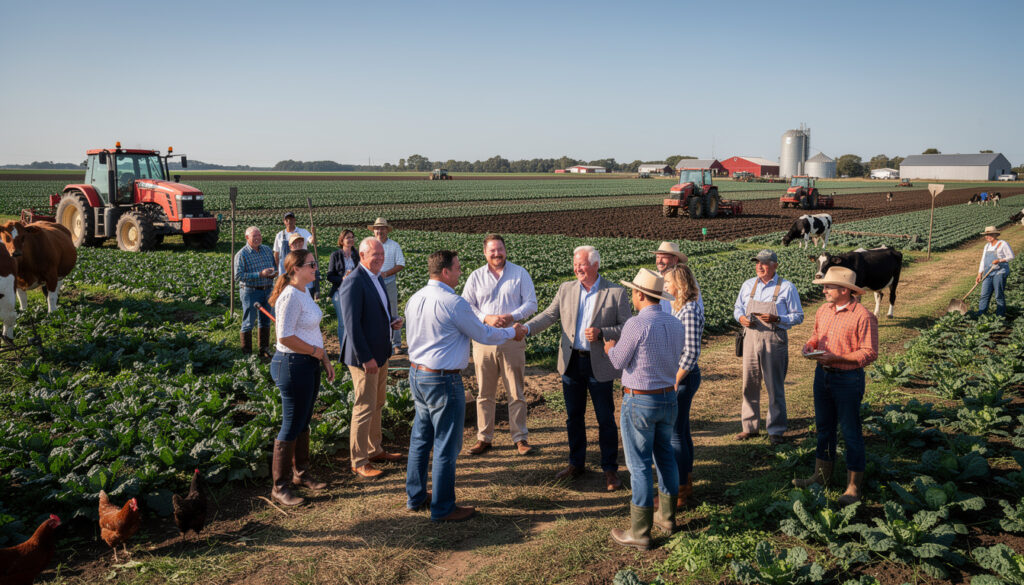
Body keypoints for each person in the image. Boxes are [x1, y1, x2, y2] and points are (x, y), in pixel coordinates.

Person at [404, 250, 527, 522]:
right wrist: (512, 332)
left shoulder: (415, 298)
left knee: (420, 439)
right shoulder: (453, 303)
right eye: (457, 268)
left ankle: (415, 497)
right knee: (447, 445)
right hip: (443, 379)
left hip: (417, 374)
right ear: (445, 272)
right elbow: (483, 333)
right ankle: (443, 507)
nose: (460, 272)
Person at [524, 245, 631, 491]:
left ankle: (610, 469)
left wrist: (603, 332)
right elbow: (550, 316)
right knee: (574, 417)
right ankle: (576, 463)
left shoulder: (615, 292)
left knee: (605, 418)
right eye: (575, 264)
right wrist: (526, 329)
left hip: (600, 364)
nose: (577, 269)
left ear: (595, 265)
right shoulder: (566, 289)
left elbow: (627, 326)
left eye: (581, 264)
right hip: (571, 363)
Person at [605, 269, 684, 550]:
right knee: (665, 457)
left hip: (640, 400)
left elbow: (618, 362)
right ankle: (668, 516)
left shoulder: (636, 325)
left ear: (639, 294)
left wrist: (610, 348)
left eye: (633, 293)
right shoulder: (676, 324)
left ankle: (639, 531)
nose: (632, 297)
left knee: (638, 465)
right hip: (668, 397)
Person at [797, 266, 878, 505]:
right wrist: (810, 346)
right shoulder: (824, 310)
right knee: (824, 428)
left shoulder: (863, 316)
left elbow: (869, 353)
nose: (823, 290)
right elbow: (816, 334)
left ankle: (853, 487)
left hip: (848, 379)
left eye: (828, 286)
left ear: (845, 290)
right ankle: (820, 477)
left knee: (850, 431)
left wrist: (838, 358)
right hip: (822, 375)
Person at [267, 249, 336, 506]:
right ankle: (280, 486)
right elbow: (284, 337)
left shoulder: (304, 291)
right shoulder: (289, 297)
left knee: (304, 420)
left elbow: (313, 330)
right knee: (291, 423)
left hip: (308, 362)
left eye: (314, 264)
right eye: (310, 264)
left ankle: (301, 474)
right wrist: (315, 352)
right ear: (295, 268)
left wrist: (324, 358)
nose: (315, 267)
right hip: (291, 364)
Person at [462, 234, 538, 456]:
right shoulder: (476, 277)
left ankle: (520, 438)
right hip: (484, 340)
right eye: (492, 250)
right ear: (485, 253)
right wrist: (486, 317)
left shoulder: (520, 273)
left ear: (506, 250)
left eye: (500, 249)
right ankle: (484, 438)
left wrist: (511, 315)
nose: (497, 254)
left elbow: (531, 303)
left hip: (511, 339)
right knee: (485, 392)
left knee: (516, 390)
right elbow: (467, 305)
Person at [340, 237, 404, 479]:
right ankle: (358, 460)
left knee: (377, 402)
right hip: (364, 358)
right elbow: (352, 326)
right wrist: (366, 358)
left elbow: (374, 314)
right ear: (362, 257)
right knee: (364, 406)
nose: (379, 258)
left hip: (381, 352)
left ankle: (374, 449)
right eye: (373, 255)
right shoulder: (354, 282)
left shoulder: (377, 278)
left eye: (381, 254)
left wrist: (391, 323)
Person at [733, 249, 804, 445]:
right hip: (750, 338)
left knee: (774, 385)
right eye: (757, 263)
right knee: (749, 383)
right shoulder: (748, 285)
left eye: (764, 263)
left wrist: (778, 318)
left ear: (775, 266)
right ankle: (749, 427)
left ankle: (776, 430)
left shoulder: (787, 287)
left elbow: (798, 315)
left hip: (774, 338)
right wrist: (740, 318)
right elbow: (738, 307)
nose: (760, 266)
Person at [663, 264, 704, 508]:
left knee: (675, 434)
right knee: (682, 430)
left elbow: (690, 353)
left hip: (683, 377)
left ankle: (679, 491)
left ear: (679, 284)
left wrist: (675, 381)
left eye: (668, 282)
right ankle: (685, 484)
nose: (665, 286)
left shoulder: (688, 310)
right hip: (682, 376)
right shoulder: (681, 308)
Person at [233, 226, 277, 358]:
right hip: (251, 292)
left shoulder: (267, 250)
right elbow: (238, 276)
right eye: (254, 236)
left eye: (259, 235)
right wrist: (260, 274)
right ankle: (247, 353)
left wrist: (273, 274)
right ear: (247, 238)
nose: (258, 238)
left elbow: (273, 266)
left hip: (267, 290)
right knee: (248, 321)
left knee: (265, 320)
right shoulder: (242, 254)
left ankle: (264, 350)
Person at [369, 218, 406, 354]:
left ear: (387, 230)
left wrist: (386, 274)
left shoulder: (394, 245)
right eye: (377, 228)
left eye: (382, 228)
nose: (379, 231)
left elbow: (401, 264)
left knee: (393, 312)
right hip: (371, 283)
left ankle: (396, 344)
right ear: (374, 231)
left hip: (389, 283)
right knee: (373, 312)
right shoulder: (369, 245)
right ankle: (379, 341)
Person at [326, 229, 357, 355]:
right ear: (342, 240)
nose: (350, 239)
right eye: (347, 237)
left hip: (354, 292)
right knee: (343, 323)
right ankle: (343, 350)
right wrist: (342, 279)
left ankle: (353, 349)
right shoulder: (336, 255)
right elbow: (329, 276)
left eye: (352, 237)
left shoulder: (357, 255)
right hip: (339, 292)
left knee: (354, 321)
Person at [652, 241, 704, 314]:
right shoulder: (653, 279)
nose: (659, 261)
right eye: (657, 257)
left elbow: (697, 307)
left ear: (675, 259)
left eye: (664, 257)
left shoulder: (686, 280)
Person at [976, 226, 1015, 317]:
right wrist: (979, 273)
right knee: (984, 294)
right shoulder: (987, 246)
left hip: (999, 272)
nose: (988, 236)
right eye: (986, 235)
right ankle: (981, 314)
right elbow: (983, 260)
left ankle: (1000, 316)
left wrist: (999, 260)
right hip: (988, 273)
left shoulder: (1003, 244)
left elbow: (1011, 256)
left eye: (990, 234)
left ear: (995, 234)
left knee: (998, 295)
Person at [287, 233, 320, 299]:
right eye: (294, 242)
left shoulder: (309, 256)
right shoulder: (288, 259)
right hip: (294, 289)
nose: (298, 244)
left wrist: (317, 290)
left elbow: (315, 273)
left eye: (300, 241)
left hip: (309, 288)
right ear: (290, 246)